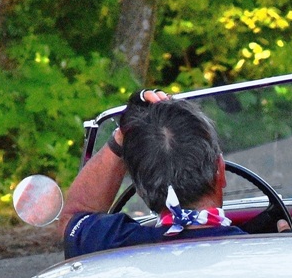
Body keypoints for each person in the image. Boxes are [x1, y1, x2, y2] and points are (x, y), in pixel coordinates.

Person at [62, 89, 269, 258]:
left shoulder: (113, 244)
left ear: (141, 191)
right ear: (220, 171)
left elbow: (74, 215)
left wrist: (122, 135)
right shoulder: (264, 258)